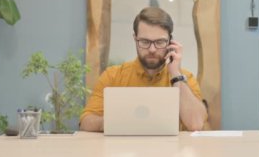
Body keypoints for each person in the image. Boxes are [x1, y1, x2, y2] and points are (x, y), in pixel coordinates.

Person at [80, 7, 208, 132]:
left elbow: (196, 124)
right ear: (135, 38)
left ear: (171, 42)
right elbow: (85, 121)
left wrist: (176, 75)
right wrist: (112, 122)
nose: (152, 49)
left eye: (160, 42)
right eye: (145, 41)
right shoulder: (112, 76)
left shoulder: (184, 78)